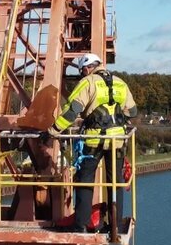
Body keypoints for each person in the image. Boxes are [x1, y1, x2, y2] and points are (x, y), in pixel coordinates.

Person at [44, 52, 137, 233]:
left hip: (95, 141)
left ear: (87, 68)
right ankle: (115, 224)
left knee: (85, 180)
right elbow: (132, 111)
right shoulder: (120, 83)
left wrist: (52, 131)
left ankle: (80, 225)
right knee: (115, 182)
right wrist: (115, 120)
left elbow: (72, 112)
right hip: (118, 141)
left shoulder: (88, 82)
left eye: (82, 71)